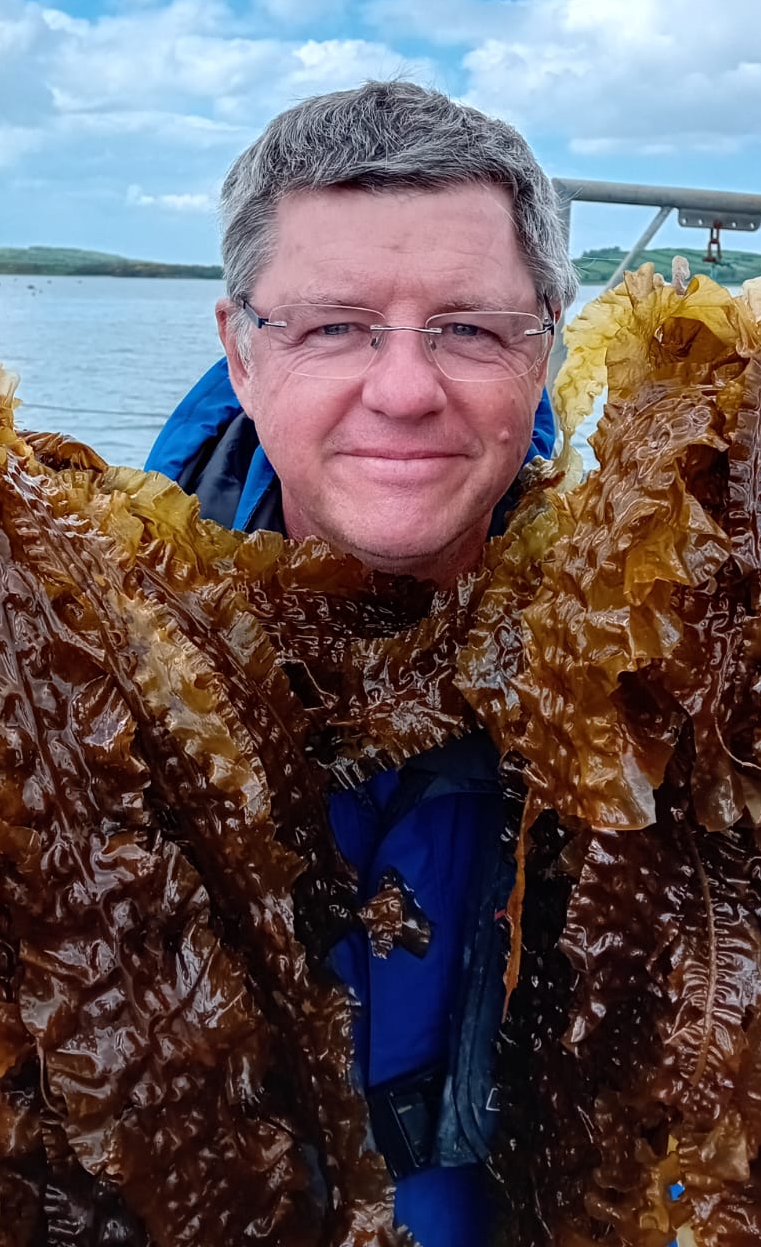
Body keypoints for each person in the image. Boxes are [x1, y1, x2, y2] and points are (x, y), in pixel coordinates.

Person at [147, 80, 578, 1245]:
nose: (402, 389)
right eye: (332, 325)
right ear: (239, 349)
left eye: (470, 328)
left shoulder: (666, 666)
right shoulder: (70, 658)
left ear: (545, 348)